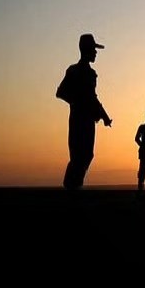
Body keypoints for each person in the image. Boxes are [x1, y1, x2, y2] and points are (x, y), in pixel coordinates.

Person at [55, 33, 113, 190]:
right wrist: (78, 103)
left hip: (86, 120)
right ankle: (71, 187)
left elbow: (92, 98)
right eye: (93, 49)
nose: (95, 53)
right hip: (80, 120)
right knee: (79, 156)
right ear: (86, 50)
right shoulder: (78, 72)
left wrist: (103, 116)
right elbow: (61, 92)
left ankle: (74, 187)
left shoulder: (87, 73)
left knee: (84, 155)